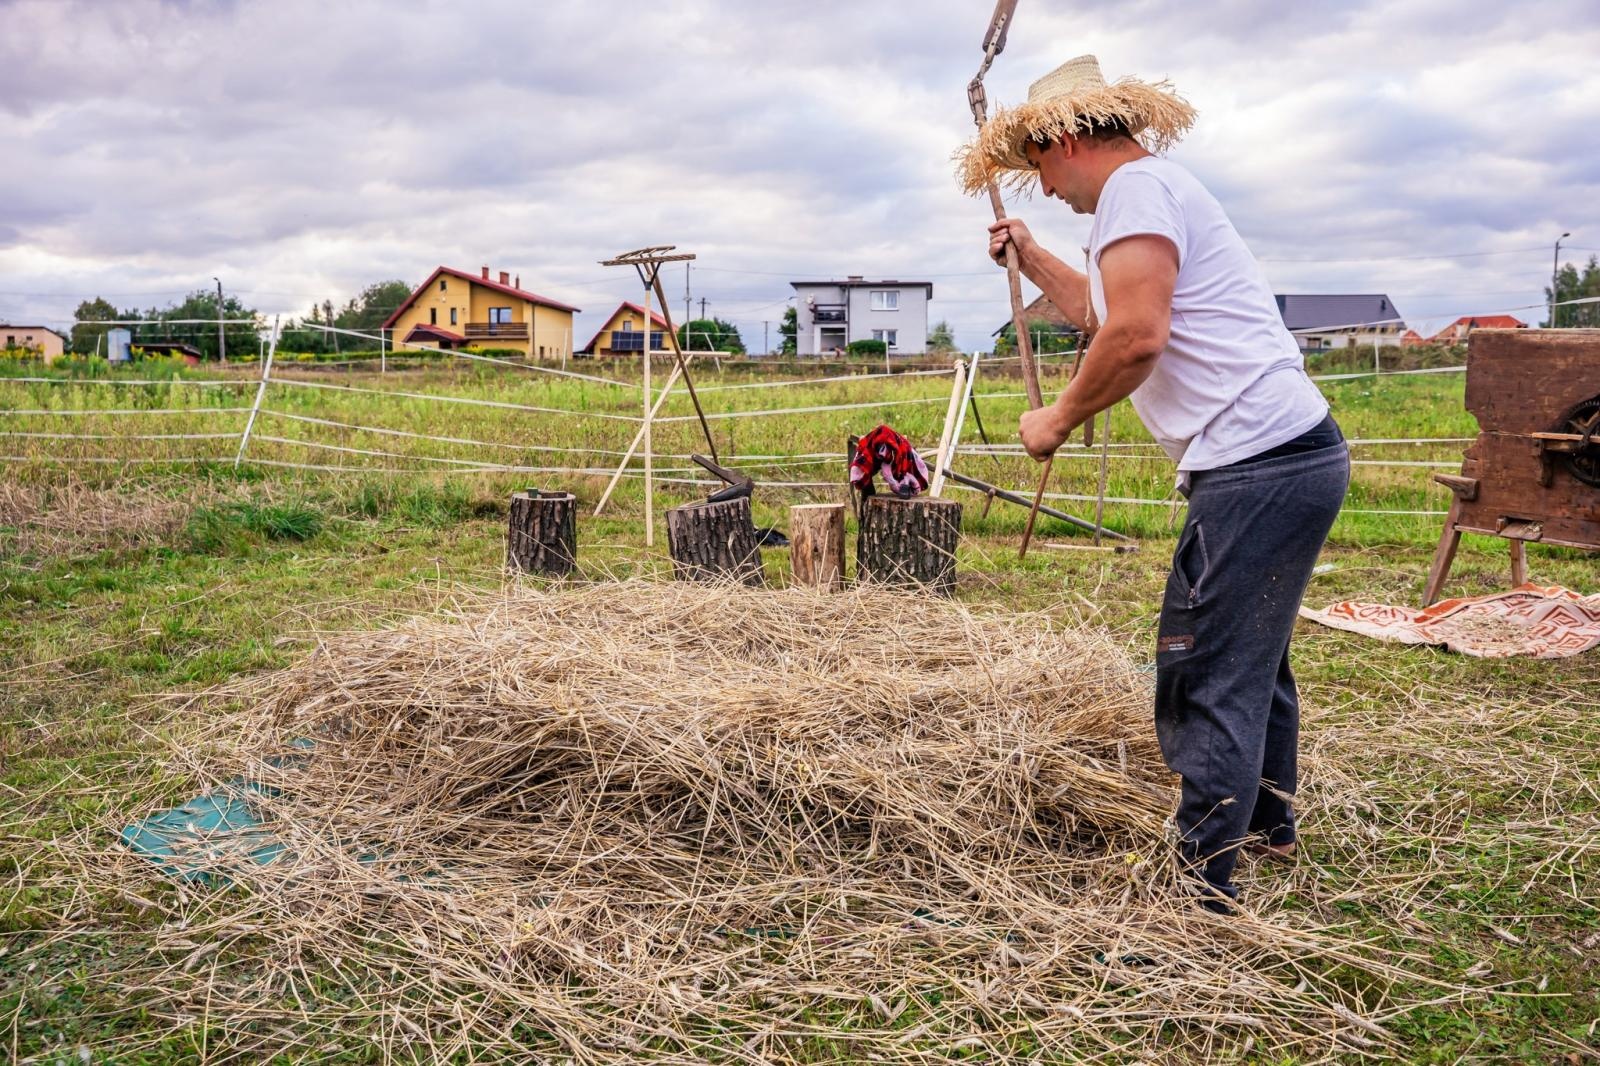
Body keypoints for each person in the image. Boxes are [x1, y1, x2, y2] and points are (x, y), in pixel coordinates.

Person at [960, 55, 1349, 910]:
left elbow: (1135, 336)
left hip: (1258, 462)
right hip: (1290, 453)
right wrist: (1031, 258)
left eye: (1037, 167)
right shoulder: (1150, 196)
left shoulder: (1135, 193)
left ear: (1065, 138)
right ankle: (1266, 823)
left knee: (1206, 664)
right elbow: (1103, 314)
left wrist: (1054, 417)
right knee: (1254, 649)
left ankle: (1201, 884)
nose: (1043, 188)